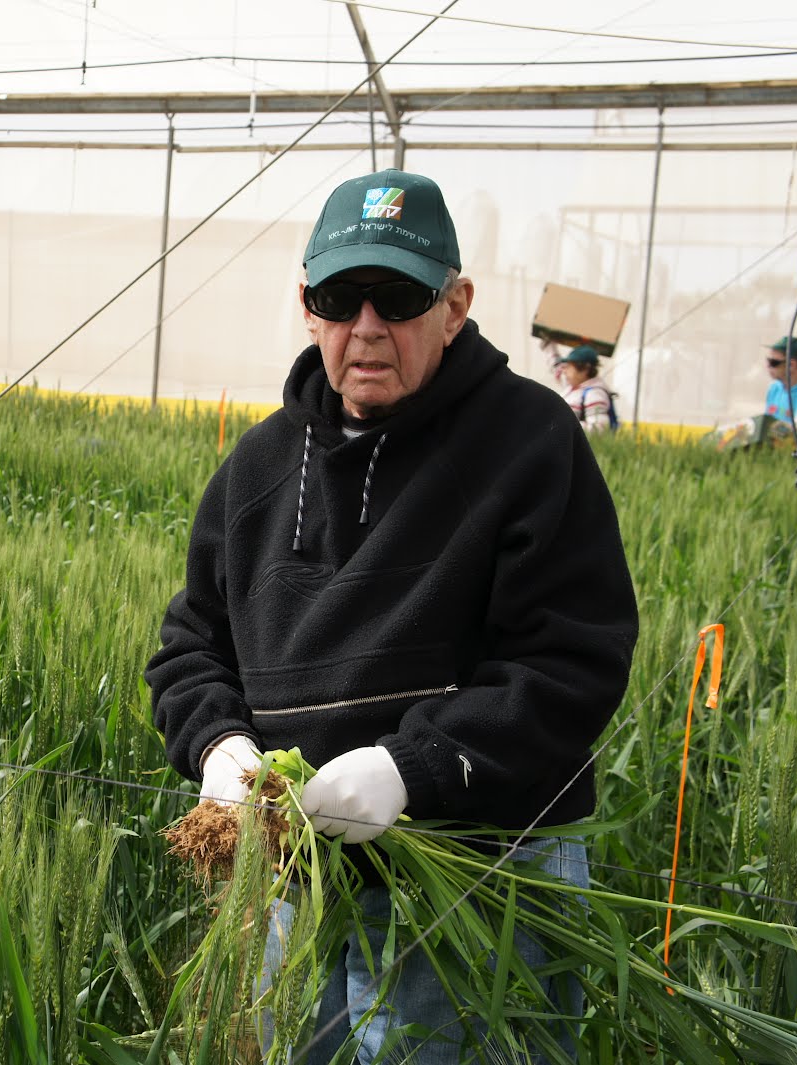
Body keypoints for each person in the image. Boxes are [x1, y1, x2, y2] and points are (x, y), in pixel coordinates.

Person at [146, 169, 639, 1062]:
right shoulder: (257, 468)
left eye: (399, 297)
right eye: (342, 298)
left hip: (481, 882)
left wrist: (416, 767)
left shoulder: (529, 442)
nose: (367, 326)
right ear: (308, 307)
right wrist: (218, 744)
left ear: (455, 307)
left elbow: (572, 661)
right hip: (294, 879)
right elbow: (191, 644)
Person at [558, 343, 617, 433]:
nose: (564, 371)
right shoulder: (573, 388)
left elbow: (598, 430)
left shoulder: (594, 394)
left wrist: (561, 426)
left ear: (585, 368)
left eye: (569, 367)